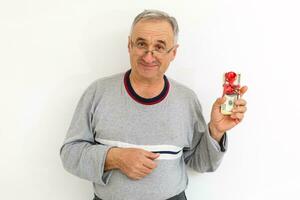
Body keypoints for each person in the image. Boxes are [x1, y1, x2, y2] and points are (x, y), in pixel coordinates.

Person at [59, 9, 248, 200]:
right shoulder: (98, 92)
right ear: (129, 45)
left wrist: (215, 131)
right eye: (141, 44)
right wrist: (114, 157)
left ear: (173, 52)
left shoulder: (187, 99)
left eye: (159, 47)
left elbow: (202, 163)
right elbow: (70, 154)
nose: (148, 57)